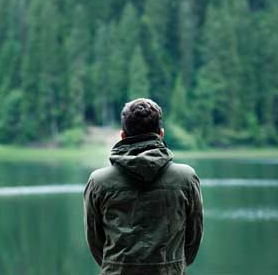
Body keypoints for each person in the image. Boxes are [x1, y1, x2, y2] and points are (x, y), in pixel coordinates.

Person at [84, 98, 203, 275]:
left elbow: (95, 240)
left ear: (123, 136)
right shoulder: (186, 178)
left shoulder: (98, 181)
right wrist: (174, 266)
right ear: (161, 134)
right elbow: (194, 236)